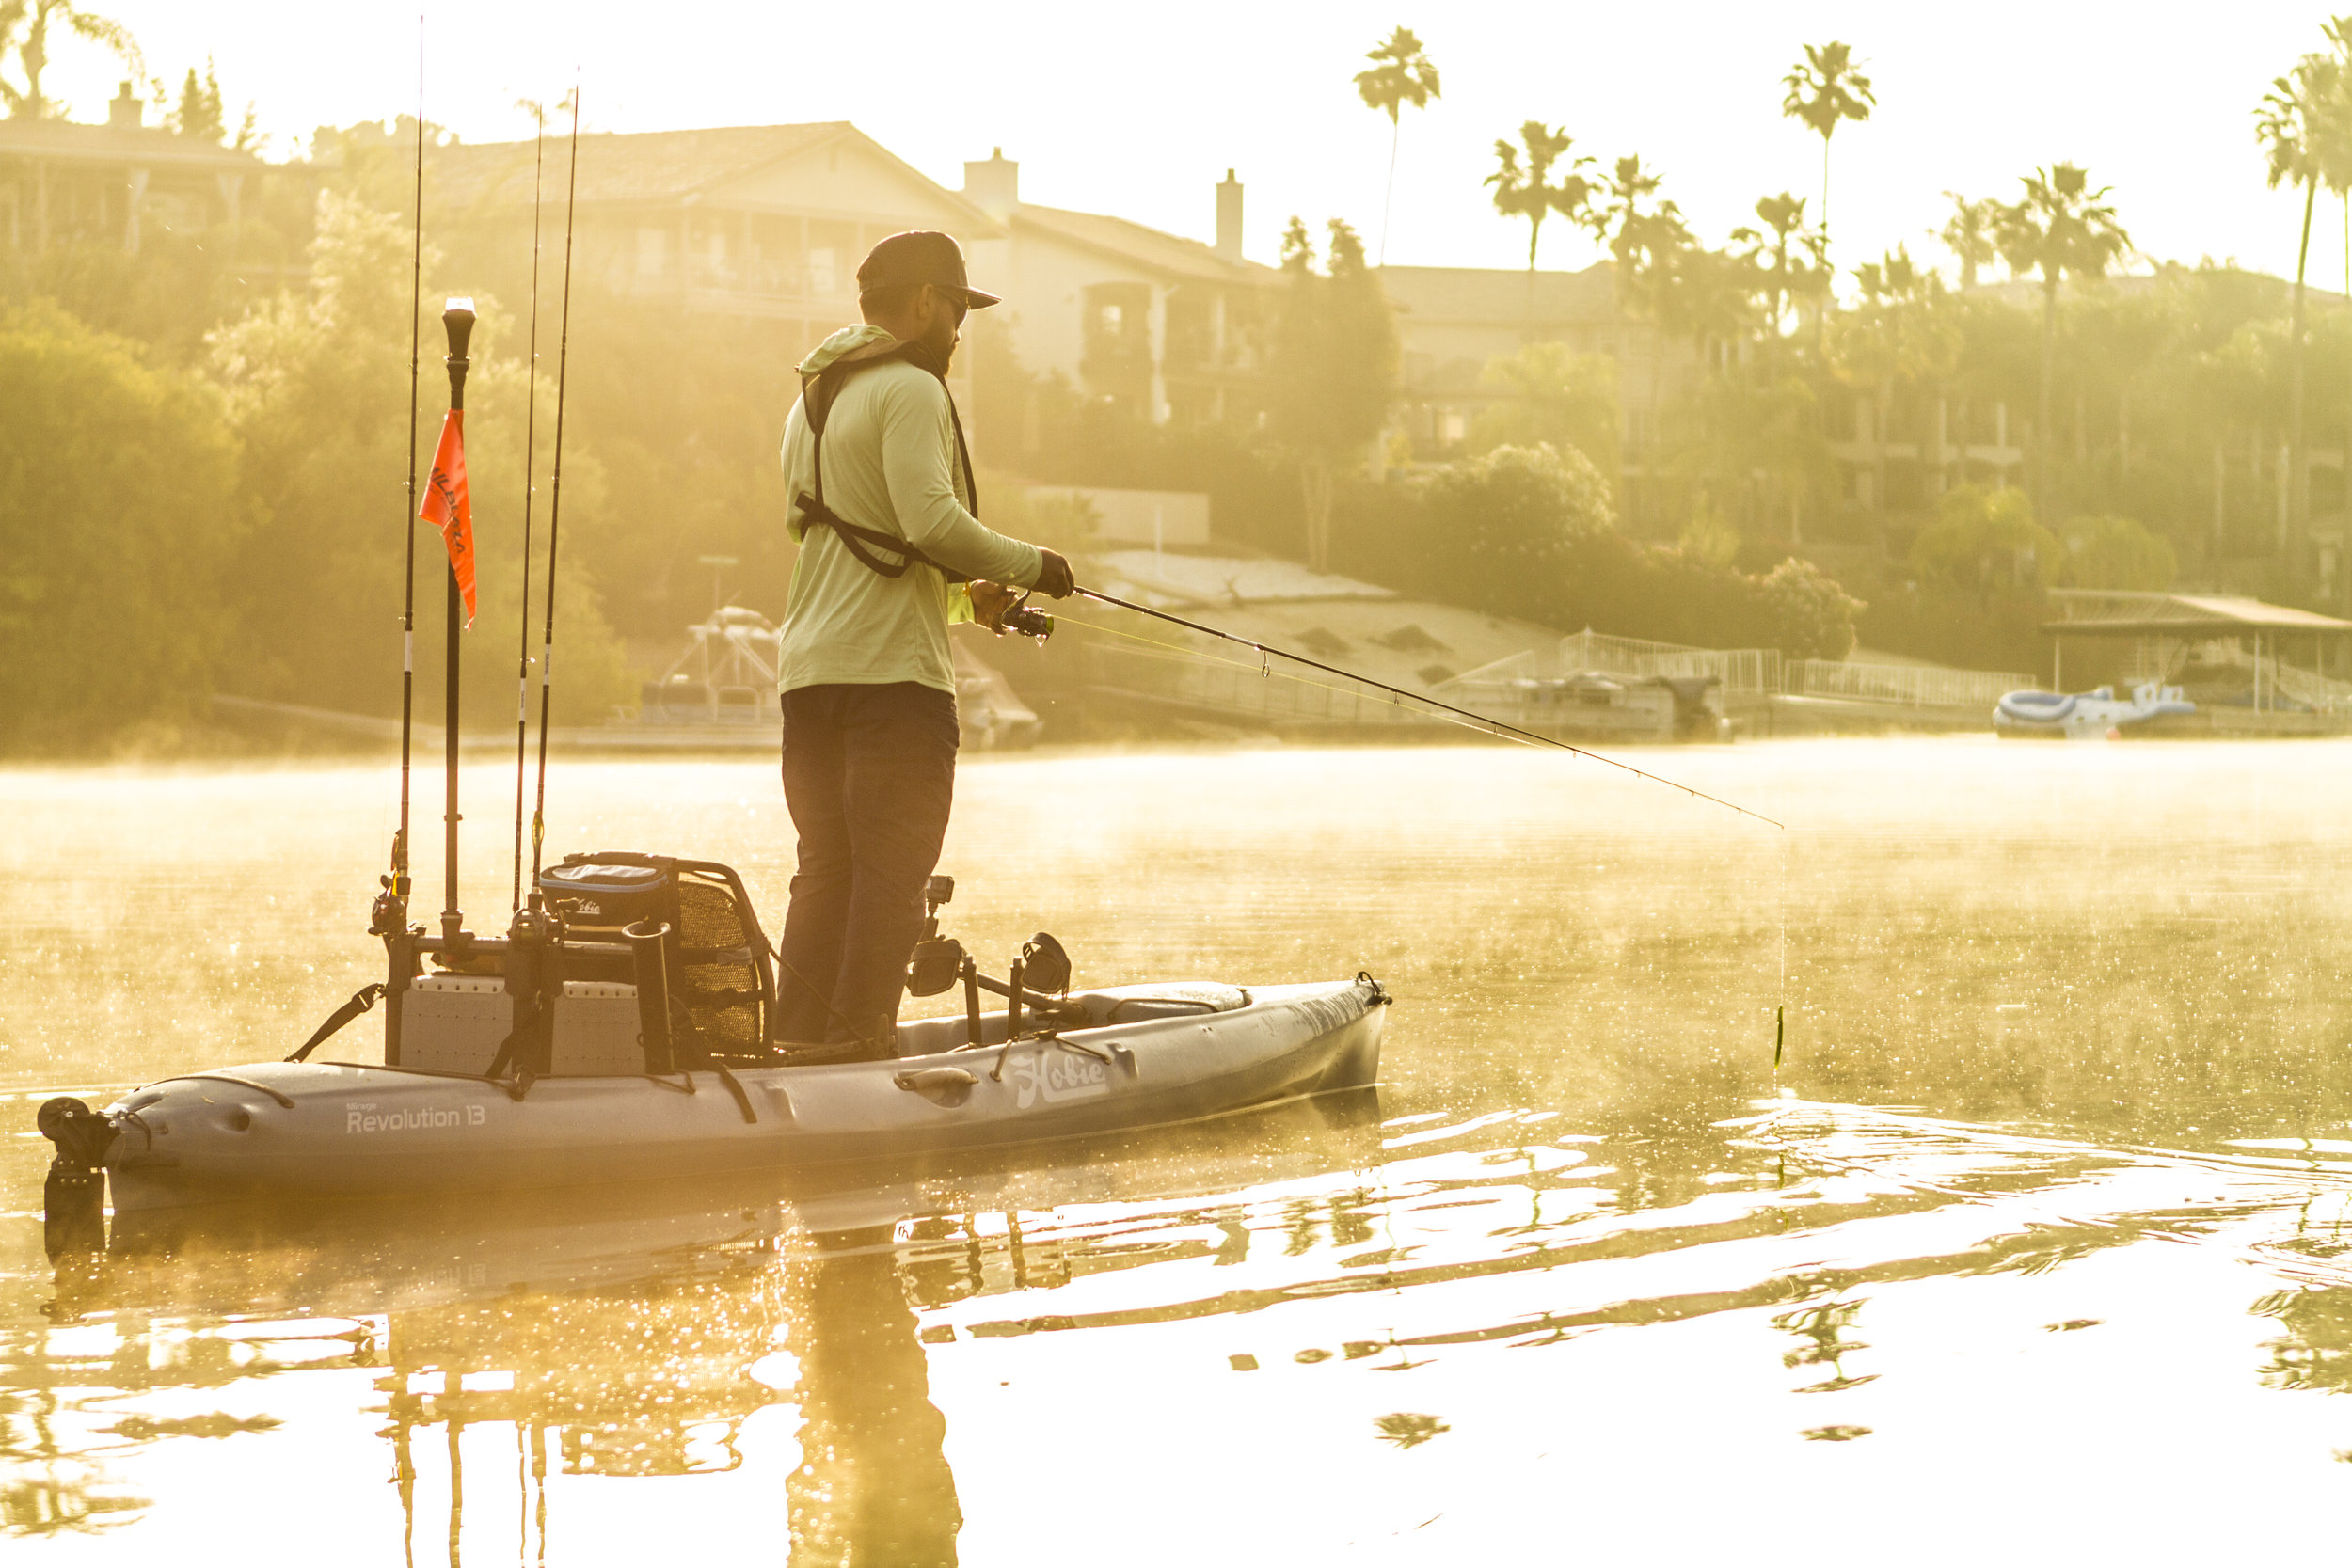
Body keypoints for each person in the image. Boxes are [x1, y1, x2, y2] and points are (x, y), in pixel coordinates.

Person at [772, 230, 1073, 1057]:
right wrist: (1035, 565)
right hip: (892, 687)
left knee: (826, 869)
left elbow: (860, 544)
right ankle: (858, 1049)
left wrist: (958, 593)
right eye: (956, 310)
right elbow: (931, 522)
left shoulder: (812, 401)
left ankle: (791, 1045)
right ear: (923, 303)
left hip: (809, 678)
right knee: (891, 875)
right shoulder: (911, 388)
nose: (959, 328)